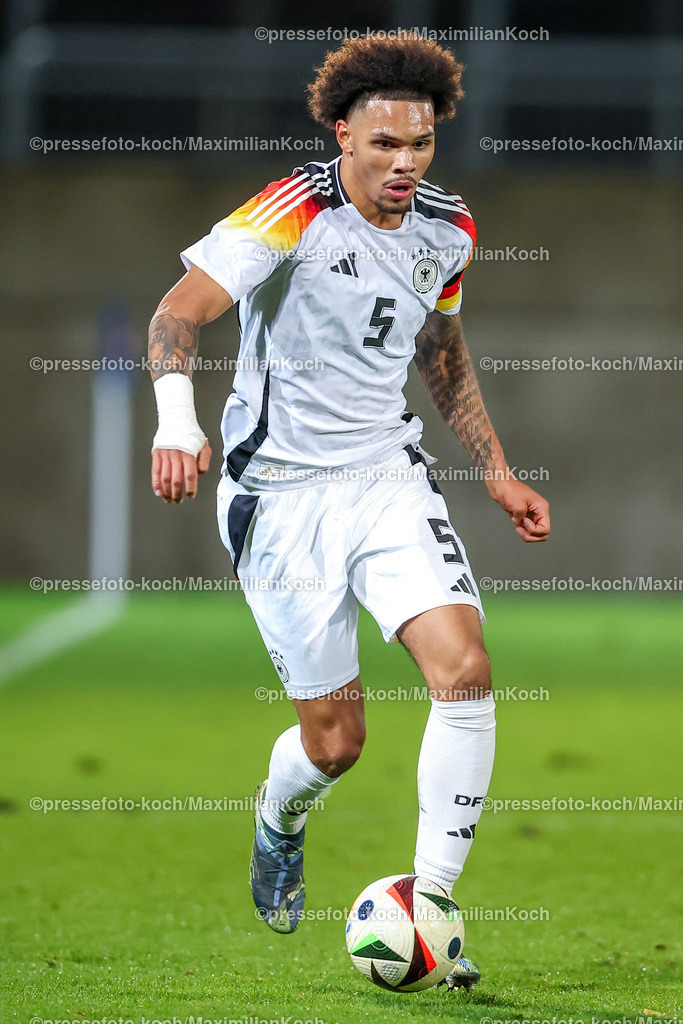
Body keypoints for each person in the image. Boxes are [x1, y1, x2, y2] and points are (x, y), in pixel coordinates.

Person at [148, 33, 550, 993]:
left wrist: (494, 467)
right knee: (337, 744)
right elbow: (178, 312)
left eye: (419, 144)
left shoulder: (449, 229)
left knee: (465, 667)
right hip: (278, 497)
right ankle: (279, 817)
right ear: (343, 135)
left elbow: (438, 349)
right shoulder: (293, 210)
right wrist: (176, 422)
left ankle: (434, 903)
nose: (404, 163)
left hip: (386, 479)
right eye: (382, 145)